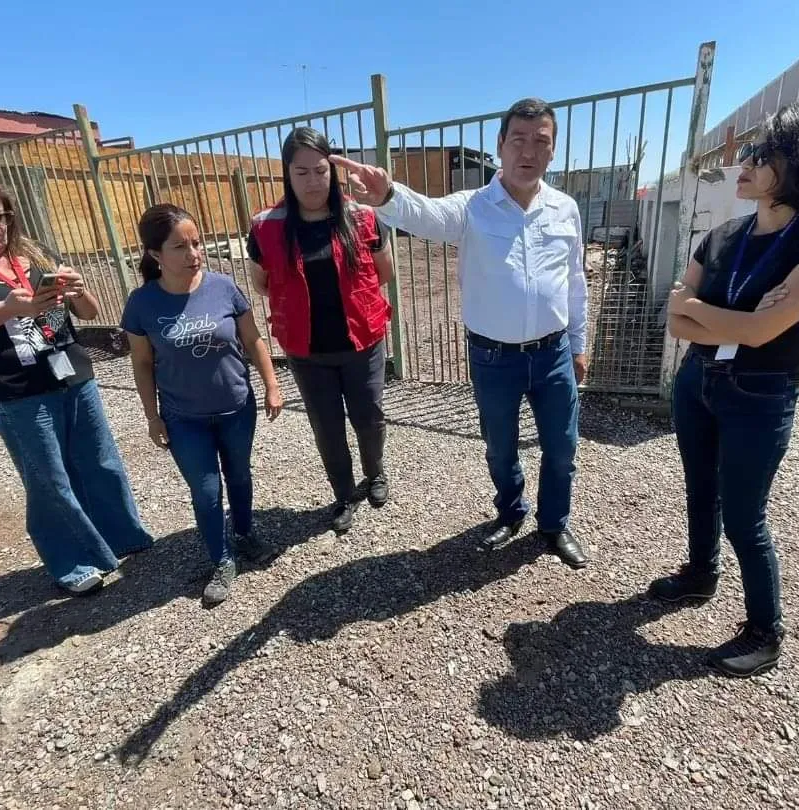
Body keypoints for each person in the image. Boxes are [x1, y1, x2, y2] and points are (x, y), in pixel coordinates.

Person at [650, 100, 799, 677]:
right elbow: (676, 322)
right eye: (747, 151)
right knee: (700, 490)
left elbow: (760, 331)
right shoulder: (724, 235)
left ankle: (766, 630)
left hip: (761, 392)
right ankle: (700, 574)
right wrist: (730, 320)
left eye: (760, 153)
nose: (742, 164)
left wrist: (704, 310)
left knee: (745, 514)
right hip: (697, 378)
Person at [330, 99, 589, 568]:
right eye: (518, 140)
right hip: (494, 358)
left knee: (562, 447)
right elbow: (427, 215)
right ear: (500, 145)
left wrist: (578, 344)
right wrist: (388, 196)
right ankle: (511, 511)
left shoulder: (565, 209)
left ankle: (554, 524)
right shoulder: (473, 208)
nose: (529, 151)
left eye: (541, 141)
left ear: (553, 151)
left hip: (553, 354)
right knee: (500, 447)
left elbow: (575, 282)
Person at [0, 167, 153, 596]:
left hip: (73, 376)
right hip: (17, 392)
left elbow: (89, 312)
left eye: (1, 216)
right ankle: (73, 562)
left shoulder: (31, 252)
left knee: (100, 463)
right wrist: (5, 309)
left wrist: (78, 290)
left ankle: (121, 536)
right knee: (49, 481)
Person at [122, 204, 283, 606]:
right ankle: (222, 559)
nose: (194, 254)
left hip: (236, 408)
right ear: (155, 254)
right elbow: (141, 363)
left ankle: (244, 534)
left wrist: (271, 385)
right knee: (207, 491)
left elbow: (253, 340)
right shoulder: (142, 303)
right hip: (184, 418)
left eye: (197, 243)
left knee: (240, 476)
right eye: (180, 247)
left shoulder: (223, 287)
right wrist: (152, 416)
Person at [247, 127, 395, 534]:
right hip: (306, 350)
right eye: (301, 172)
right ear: (287, 174)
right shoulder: (266, 226)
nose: (313, 181)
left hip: (361, 342)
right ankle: (343, 494)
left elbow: (384, 273)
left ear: (332, 171)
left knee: (369, 416)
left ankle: (375, 473)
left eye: (320, 171)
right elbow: (262, 283)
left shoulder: (362, 216)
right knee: (327, 427)